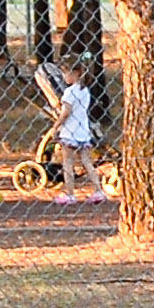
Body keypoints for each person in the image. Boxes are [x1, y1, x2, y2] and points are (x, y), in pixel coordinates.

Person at [33, 58, 95, 201]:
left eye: (65, 73)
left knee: (68, 163)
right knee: (87, 162)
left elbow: (65, 113)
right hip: (83, 130)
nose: (63, 77)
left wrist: (55, 127)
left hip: (70, 132)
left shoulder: (69, 92)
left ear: (75, 73)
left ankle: (70, 194)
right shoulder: (85, 90)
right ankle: (98, 191)